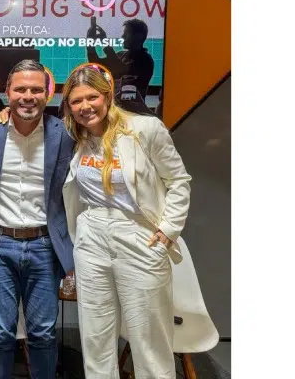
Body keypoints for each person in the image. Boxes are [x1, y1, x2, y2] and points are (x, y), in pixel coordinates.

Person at [61, 63, 191, 378]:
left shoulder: (145, 129)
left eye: (92, 97)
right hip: (91, 238)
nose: (85, 106)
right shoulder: (76, 136)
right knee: (95, 338)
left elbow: (179, 181)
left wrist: (167, 231)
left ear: (108, 96)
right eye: (76, 100)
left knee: (149, 339)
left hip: (138, 236)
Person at [0, 60, 75, 378]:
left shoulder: (66, 134)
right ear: (7, 93)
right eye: (20, 89)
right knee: (0, 334)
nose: (28, 96)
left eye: (36, 89)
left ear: (48, 94)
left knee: (43, 334)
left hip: (45, 247)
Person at [87, 18, 155, 115]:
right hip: (115, 113)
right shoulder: (121, 55)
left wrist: (105, 42)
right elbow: (97, 64)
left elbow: (120, 70)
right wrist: (90, 43)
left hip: (133, 114)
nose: (122, 36)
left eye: (127, 33)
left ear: (138, 37)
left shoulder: (145, 60)